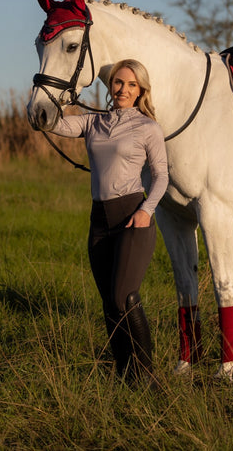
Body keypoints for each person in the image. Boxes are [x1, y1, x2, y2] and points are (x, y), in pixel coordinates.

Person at [48, 59, 168, 384]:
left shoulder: (148, 128)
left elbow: (161, 176)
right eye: (118, 82)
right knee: (108, 303)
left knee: (123, 297)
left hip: (132, 218)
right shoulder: (93, 122)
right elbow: (55, 124)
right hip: (99, 219)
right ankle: (124, 374)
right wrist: (46, 98)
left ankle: (146, 376)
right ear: (109, 85)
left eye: (131, 85)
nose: (123, 89)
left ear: (141, 89)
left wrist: (147, 211)